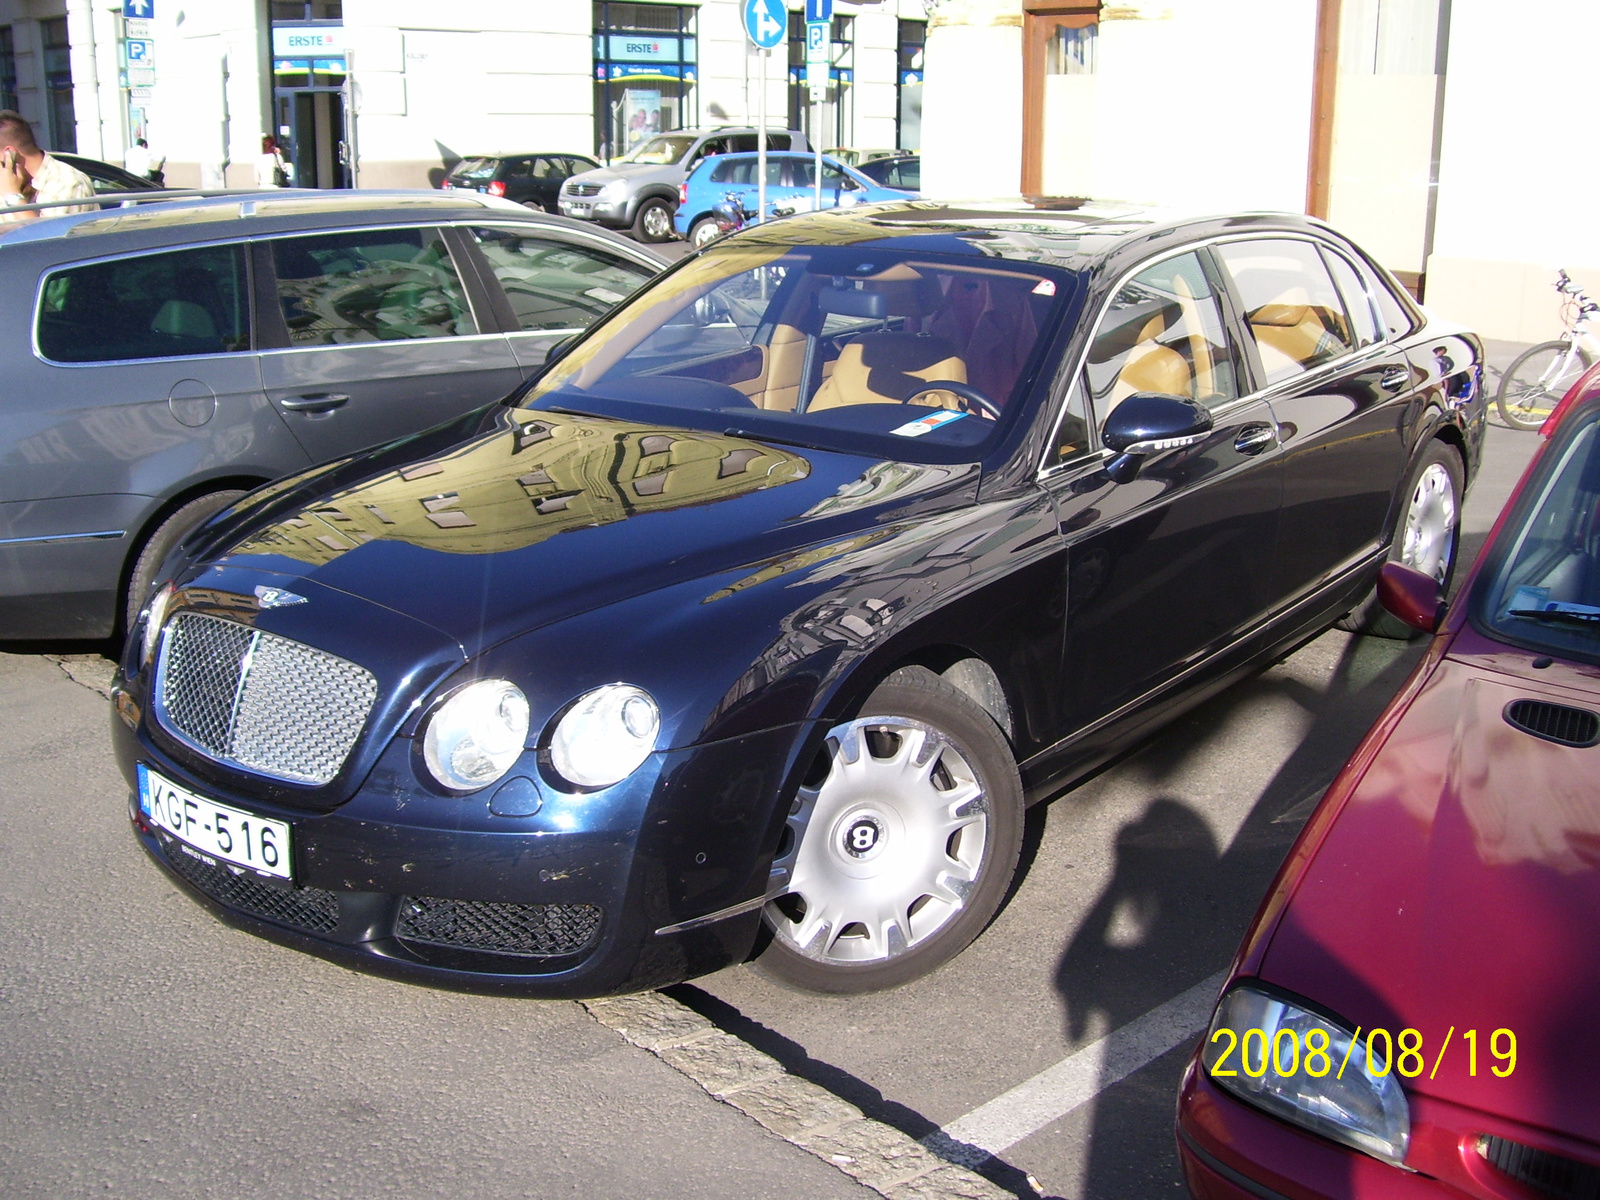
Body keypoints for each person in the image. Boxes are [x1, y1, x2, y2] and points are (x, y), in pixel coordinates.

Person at [0, 110, 95, 222]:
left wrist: (13, 196)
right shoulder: (11, 184)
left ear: (10, 154)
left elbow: (47, 237)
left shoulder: (68, 183)